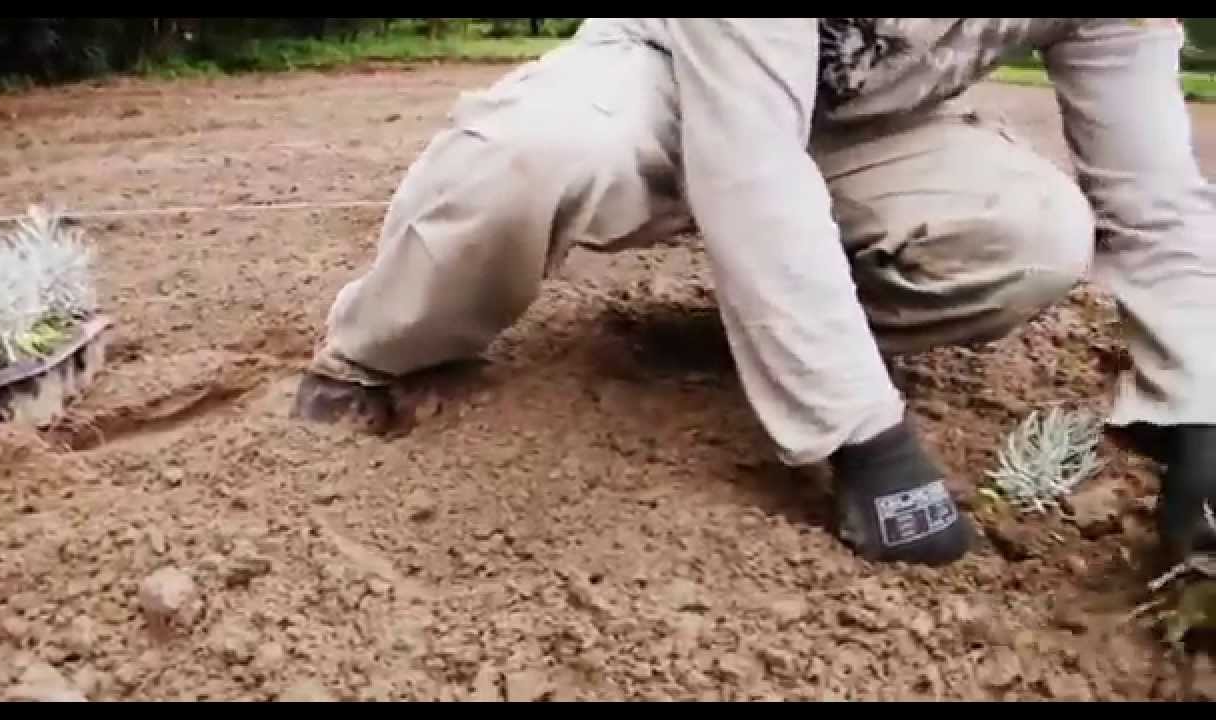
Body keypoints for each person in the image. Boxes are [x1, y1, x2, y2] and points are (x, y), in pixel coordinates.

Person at [294, 19, 1216, 567]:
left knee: (1031, 236)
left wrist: (1200, 407)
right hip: (663, 77)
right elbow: (750, 159)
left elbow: (1155, 201)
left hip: (863, 123)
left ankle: (769, 334)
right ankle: (373, 353)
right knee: (531, 159)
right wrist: (867, 438)